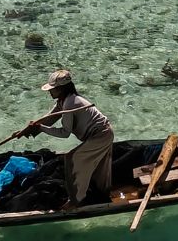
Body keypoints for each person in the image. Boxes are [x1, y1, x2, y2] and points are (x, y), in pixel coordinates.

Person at [21, 69, 114, 209]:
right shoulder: (64, 101)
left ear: (61, 89)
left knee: (72, 159)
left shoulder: (71, 103)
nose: (50, 92)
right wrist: (28, 129)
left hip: (100, 135)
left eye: (53, 89)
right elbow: (49, 118)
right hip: (102, 134)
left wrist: (40, 129)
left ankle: (76, 200)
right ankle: (101, 195)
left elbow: (65, 133)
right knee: (99, 167)